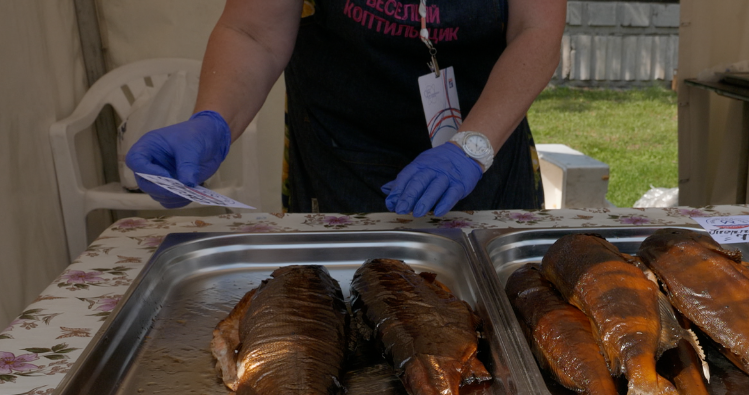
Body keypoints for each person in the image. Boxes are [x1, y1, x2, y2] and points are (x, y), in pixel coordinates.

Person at [126, 0, 565, 216]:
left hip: (482, 146)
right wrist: (213, 119)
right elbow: (252, 32)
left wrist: (472, 146)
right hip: (336, 153)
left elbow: (537, 31)